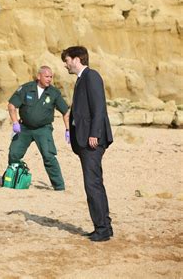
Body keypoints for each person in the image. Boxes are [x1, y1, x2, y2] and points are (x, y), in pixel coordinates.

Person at [61, 46, 114, 242]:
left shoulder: (91, 76)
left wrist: (94, 134)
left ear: (76, 59)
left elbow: (99, 108)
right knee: (94, 184)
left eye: (66, 60)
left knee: (92, 185)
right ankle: (104, 226)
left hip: (91, 140)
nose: (65, 65)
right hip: (84, 139)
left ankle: (102, 229)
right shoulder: (82, 79)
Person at [7, 66, 70, 191]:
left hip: (43, 129)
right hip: (24, 128)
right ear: (39, 76)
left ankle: (59, 186)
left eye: (51, 77)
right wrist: (15, 123)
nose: (49, 79)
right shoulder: (26, 89)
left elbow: (66, 112)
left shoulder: (54, 93)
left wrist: (68, 130)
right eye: (47, 76)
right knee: (14, 154)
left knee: (49, 156)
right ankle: (14, 179)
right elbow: (11, 105)